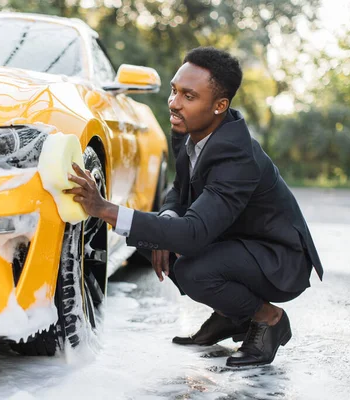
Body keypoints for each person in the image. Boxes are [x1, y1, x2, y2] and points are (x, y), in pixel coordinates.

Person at [64, 47, 323, 367]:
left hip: (278, 258)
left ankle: (268, 318)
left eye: (189, 96)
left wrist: (105, 209)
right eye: (174, 91)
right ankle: (232, 315)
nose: (174, 103)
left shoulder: (236, 157)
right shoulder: (190, 129)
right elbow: (179, 188)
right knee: (150, 237)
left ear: (220, 106)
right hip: (236, 239)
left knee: (193, 269)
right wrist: (167, 220)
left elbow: (193, 234)